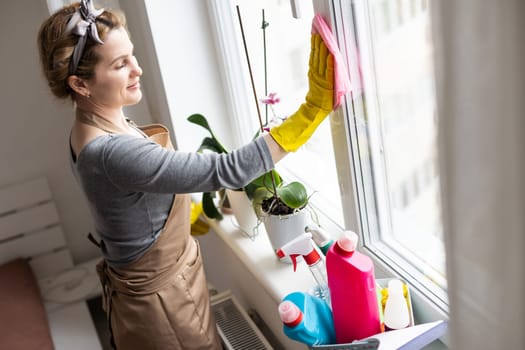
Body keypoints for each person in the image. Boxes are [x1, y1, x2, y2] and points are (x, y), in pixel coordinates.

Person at [37, 1, 335, 349]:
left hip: (150, 290)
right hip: (162, 307)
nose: (137, 70)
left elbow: (138, 196)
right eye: (120, 65)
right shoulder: (110, 152)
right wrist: (313, 109)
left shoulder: (90, 125)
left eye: (131, 55)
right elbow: (226, 170)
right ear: (80, 84)